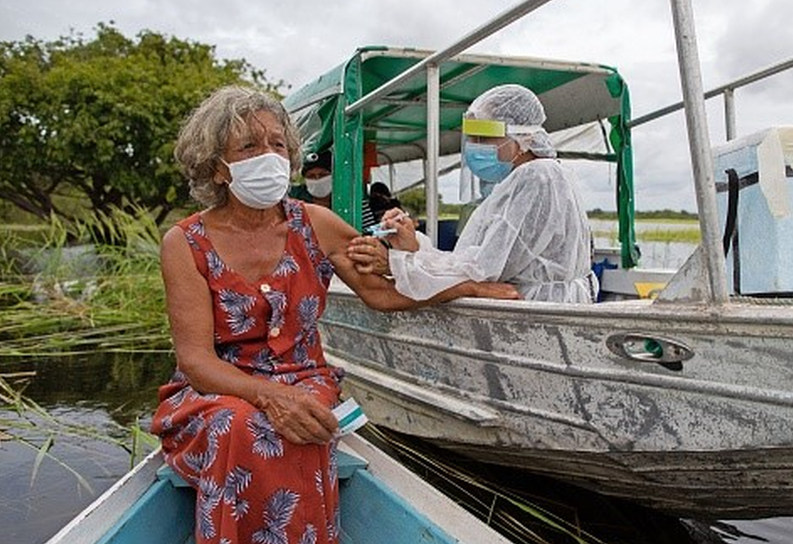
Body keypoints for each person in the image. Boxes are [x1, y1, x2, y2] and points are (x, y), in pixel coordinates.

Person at [149, 85, 518, 544]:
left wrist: (461, 284)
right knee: (240, 425)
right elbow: (197, 363)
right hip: (218, 390)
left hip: (304, 379)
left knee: (300, 425)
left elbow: (383, 293)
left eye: (277, 144)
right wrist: (268, 396)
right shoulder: (185, 243)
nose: (269, 155)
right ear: (218, 167)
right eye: (249, 146)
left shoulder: (315, 224)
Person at [348, 84, 598, 303]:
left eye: (485, 137)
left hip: (537, 311)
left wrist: (397, 262)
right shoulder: (528, 178)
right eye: (473, 137)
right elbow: (474, 261)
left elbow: (483, 270)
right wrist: (413, 246)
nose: (475, 146)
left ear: (521, 136)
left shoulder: (536, 176)